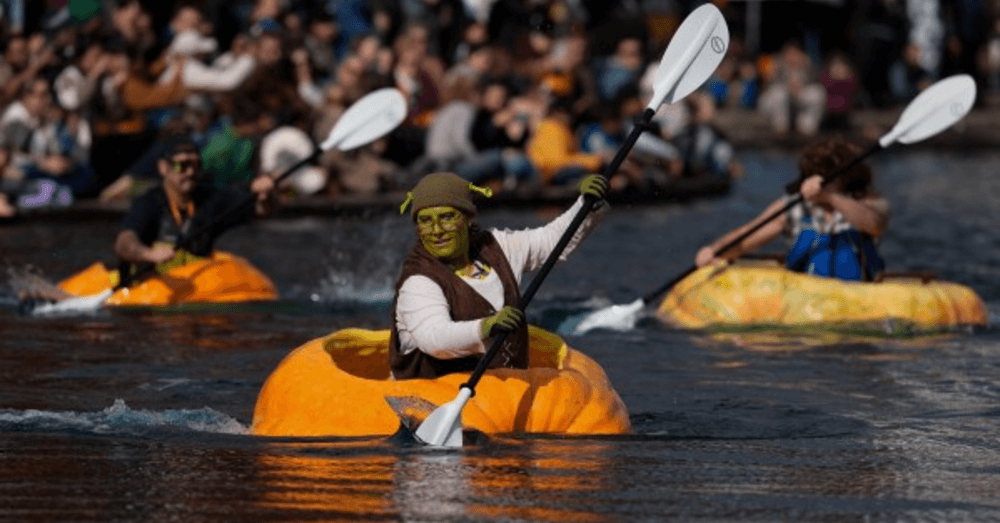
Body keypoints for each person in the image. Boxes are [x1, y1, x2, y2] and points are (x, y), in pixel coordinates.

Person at [389, 171, 608, 380]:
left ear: (468, 218)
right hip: (433, 393)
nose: (437, 230)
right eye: (426, 221)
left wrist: (585, 205)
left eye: (446, 217)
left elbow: (551, 242)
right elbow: (434, 338)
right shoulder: (417, 281)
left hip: (504, 388)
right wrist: (486, 327)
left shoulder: (497, 247)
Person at [694, 137, 888, 281]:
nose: (819, 179)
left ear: (846, 177)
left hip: (857, 297)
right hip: (804, 300)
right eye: (815, 173)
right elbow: (747, 237)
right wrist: (715, 250)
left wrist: (829, 196)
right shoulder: (792, 207)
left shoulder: (867, 202)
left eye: (828, 174)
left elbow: (875, 225)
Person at [113, 136, 276, 279]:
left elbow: (261, 211)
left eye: (196, 165)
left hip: (192, 285)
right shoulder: (148, 202)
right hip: (148, 285)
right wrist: (148, 254)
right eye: (182, 165)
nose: (190, 172)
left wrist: (264, 196)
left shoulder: (211, 198)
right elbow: (123, 243)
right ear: (164, 167)